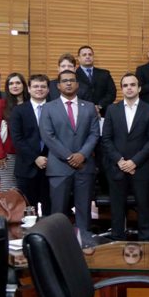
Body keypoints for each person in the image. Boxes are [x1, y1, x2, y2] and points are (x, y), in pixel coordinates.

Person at [40, 69, 100, 239]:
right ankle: (57, 245)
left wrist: (82, 154)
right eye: (65, 81)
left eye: (72, 80)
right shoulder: (48, 108)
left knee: (84, 210)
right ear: (58, 86)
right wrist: (69, 157)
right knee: (58, 212)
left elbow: (94, 133)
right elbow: (47, 136)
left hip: (84, 166)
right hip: (59, 167)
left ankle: (85, 244)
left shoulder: (88, 107)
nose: (68, 83)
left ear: (77, 84)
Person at [101, 73, 149, 241]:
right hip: (116, 165)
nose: (129, 88)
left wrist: (134, 162)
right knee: (117, 206)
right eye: (125, 85)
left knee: (143, 204)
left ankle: (145, 237)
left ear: (139, 88)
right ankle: (117, 237)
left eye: (132, 84)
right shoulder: (112, 109)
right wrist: (120, 161)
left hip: (140, 166)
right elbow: (106, 138)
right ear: (122, 89)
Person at [10, 74, 52, 212]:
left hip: (52, 166)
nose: (39, 89)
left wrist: (47, 158)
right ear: (28, 89)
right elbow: (17, 138)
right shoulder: (19, 110)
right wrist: (35, 158)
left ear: (48, 89)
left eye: (43, 86)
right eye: (35, 86)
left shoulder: (56, 109)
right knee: (28, 210)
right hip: (26, 168)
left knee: (50, 210)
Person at [0, 72, 28, 191]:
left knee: (26, 190)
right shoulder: (1, 104)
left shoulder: (31, 103)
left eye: (18, 82)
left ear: (24, 85)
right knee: (9, 190)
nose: (15, 86)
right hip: (8, 154)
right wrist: (0, 154)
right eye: (11, 83)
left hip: (29, 153)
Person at [75, 45, 117, 116]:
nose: (87, 56)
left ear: (93, 57)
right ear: (79, 58)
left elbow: (112, 93)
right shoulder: (74, 76)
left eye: (90, 54)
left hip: (104, 112)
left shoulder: (105, 74)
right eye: (84, 55)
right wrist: (90, 108)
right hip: (81, 113)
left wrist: (99, 106)